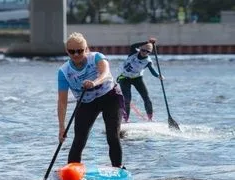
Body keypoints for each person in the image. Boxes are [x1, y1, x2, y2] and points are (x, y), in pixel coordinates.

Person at [58, 32, 125, 168]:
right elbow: (62, 102)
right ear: (67, 51)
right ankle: (72, 173)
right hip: (86, 102)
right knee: (79, 140)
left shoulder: (97, 57)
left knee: (112, 136)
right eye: (72, 52)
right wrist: (62, 127)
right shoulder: (64, 72)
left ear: (86, 49)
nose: (76, 55)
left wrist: (94, 83)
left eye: (80, 51)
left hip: (110, 97)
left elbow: (105, 74)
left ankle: (118, 168)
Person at [117, 38, 164, 122]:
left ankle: (150, 119)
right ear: (140, 49)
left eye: (147, 52)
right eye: (143, 50)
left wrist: (158, 76)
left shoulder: (148, 61)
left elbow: (152, 70)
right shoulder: (133, 52)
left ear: (150, 53)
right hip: (124, 78)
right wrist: (147, 42)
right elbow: (133, 45)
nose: (144, 53)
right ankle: (126, 120)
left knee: (146, 98)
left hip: (137, 78)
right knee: (127, 100)